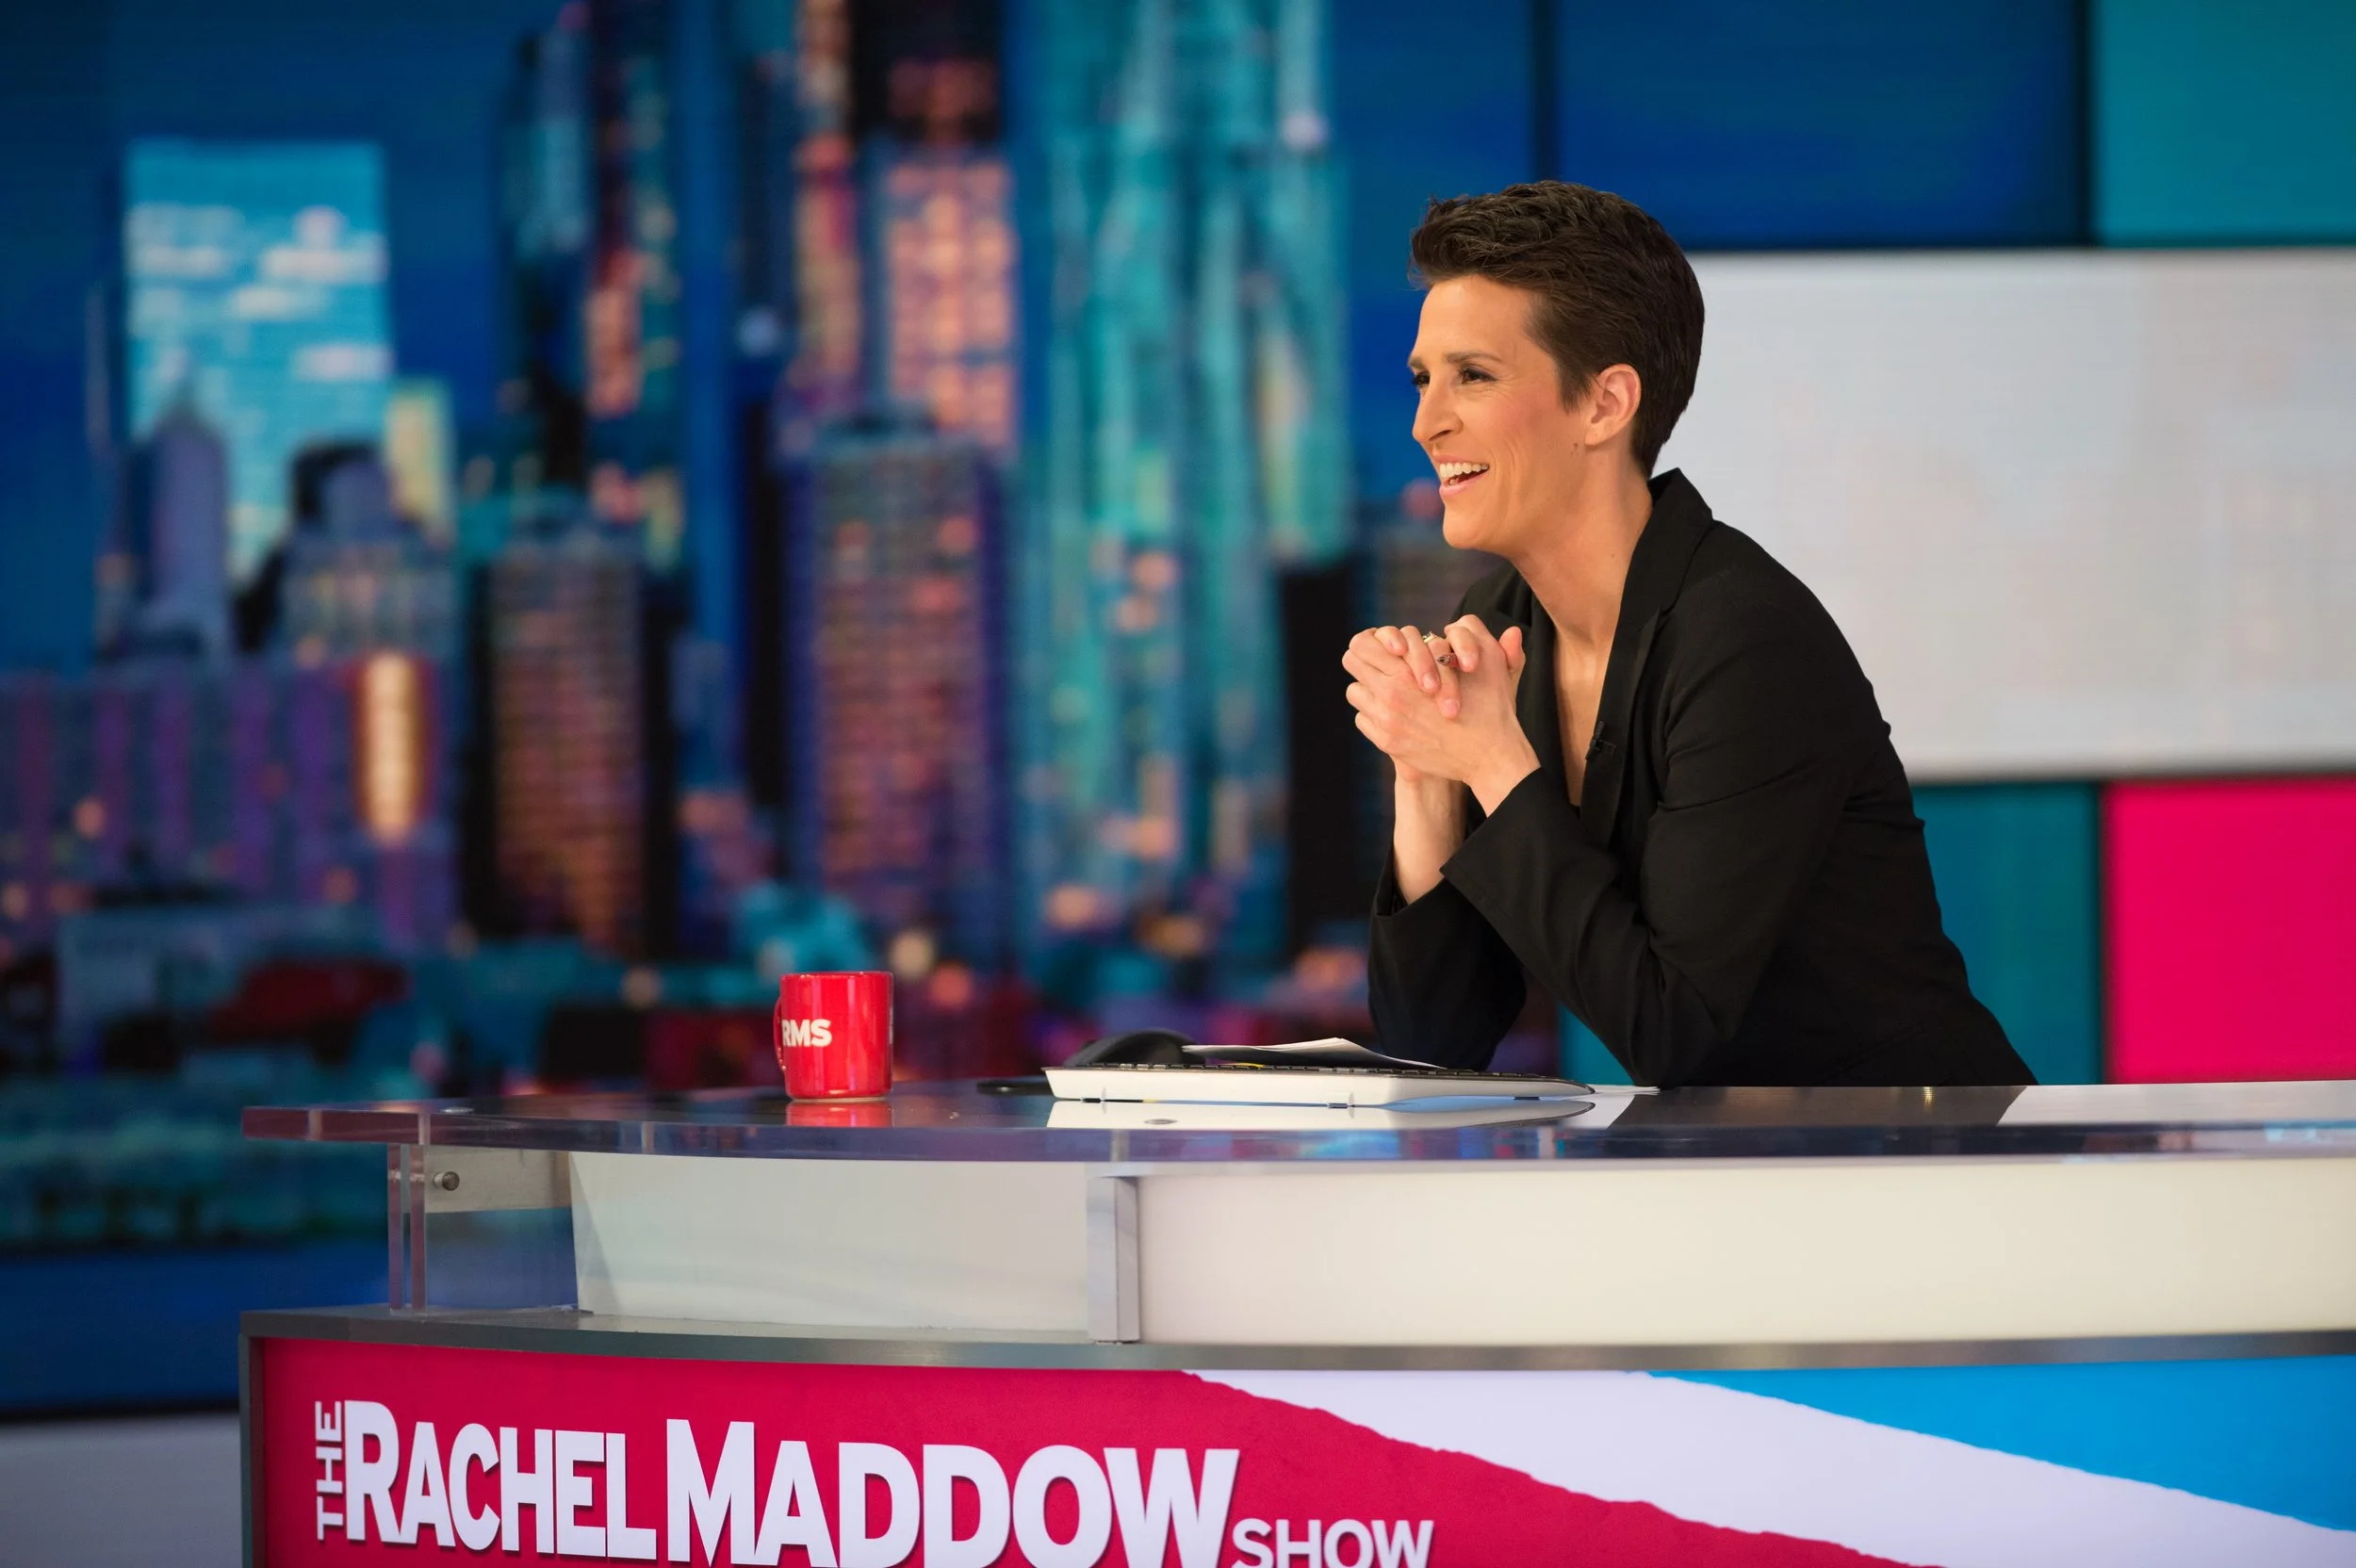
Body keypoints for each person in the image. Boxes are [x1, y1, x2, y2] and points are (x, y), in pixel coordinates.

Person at [1347, 182, 2030, 1088]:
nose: (1426, 421)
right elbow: (1436, 1042)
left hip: (1932, 1166)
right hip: (1730, 1189)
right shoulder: (1503, 622)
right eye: (1424, 378)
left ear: (1604, 404)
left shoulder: (1747, 644)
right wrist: (1426, 774)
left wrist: (1491, 762)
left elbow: (1675, 1029)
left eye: (1473, 376)